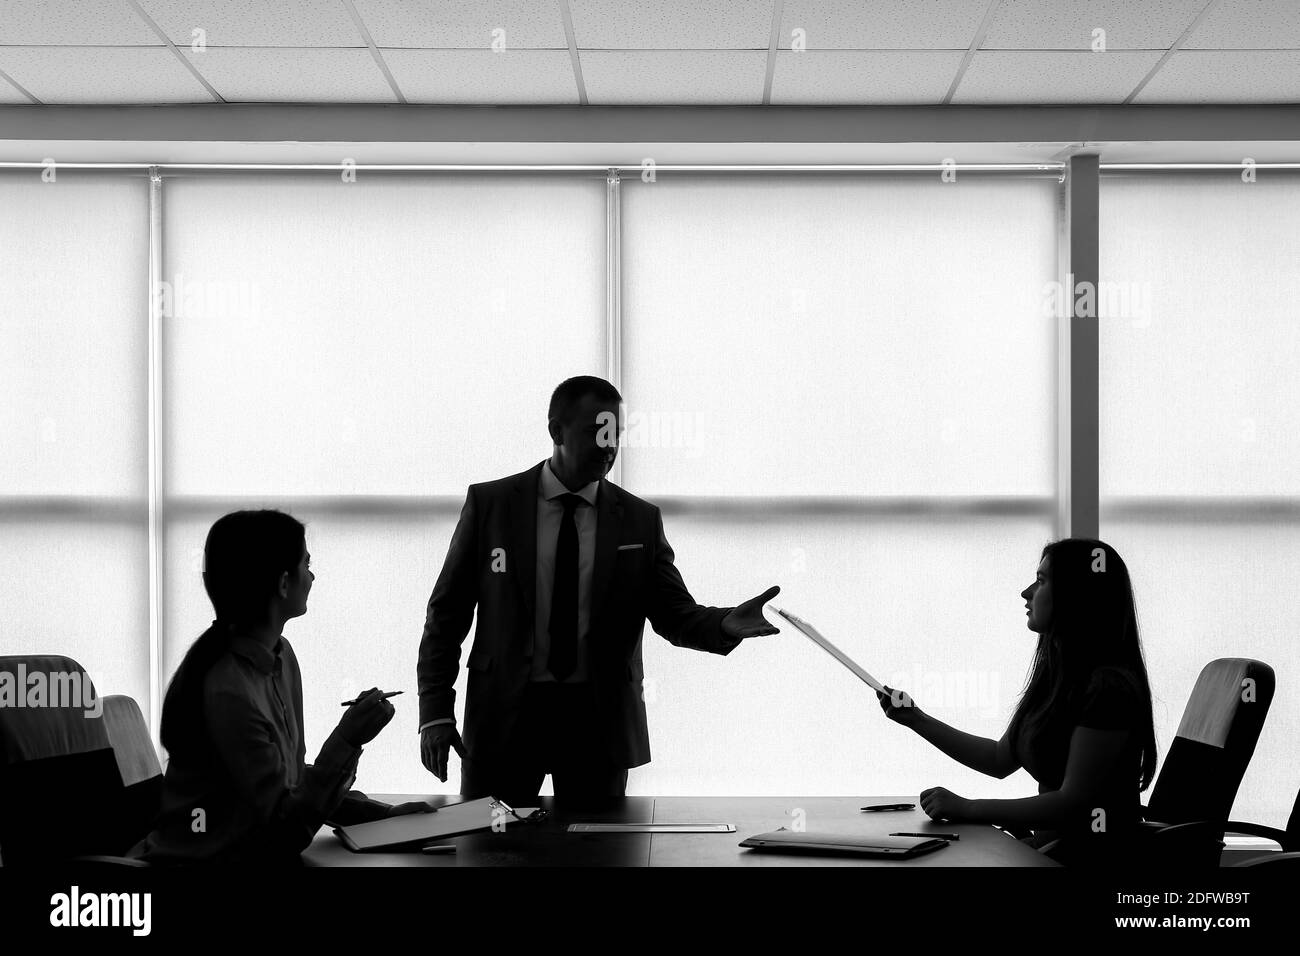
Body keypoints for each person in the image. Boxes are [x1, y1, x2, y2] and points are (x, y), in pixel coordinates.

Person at [418, 375, 780, 803]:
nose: (609, 444)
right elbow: (447, 616)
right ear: (556, 430)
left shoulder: (639, 521)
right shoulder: (491, 505)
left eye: (616, 433)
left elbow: (675, 615)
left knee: (597, 858)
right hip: (503, 724)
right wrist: (435, 714)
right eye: (597, 431)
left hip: (598, 730)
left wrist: (725, 623)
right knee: (490, 855)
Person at [140, 510, 428, 865]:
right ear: (283, 583)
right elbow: (284, 832)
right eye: (306, 564)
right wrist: (348, 740)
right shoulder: (228, 692)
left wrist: (380, 815)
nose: (312, 575)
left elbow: (288, 783)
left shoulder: (281, 657)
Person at [877, 537, 1157, 867]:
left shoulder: (1109, 688)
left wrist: (970, 808)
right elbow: (999, 759)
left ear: (1075, 595)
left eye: (1041, 581)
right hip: (1047, 853)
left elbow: (1073, 803)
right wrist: (916, 719)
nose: (1026, 593)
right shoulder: (1056, 677)